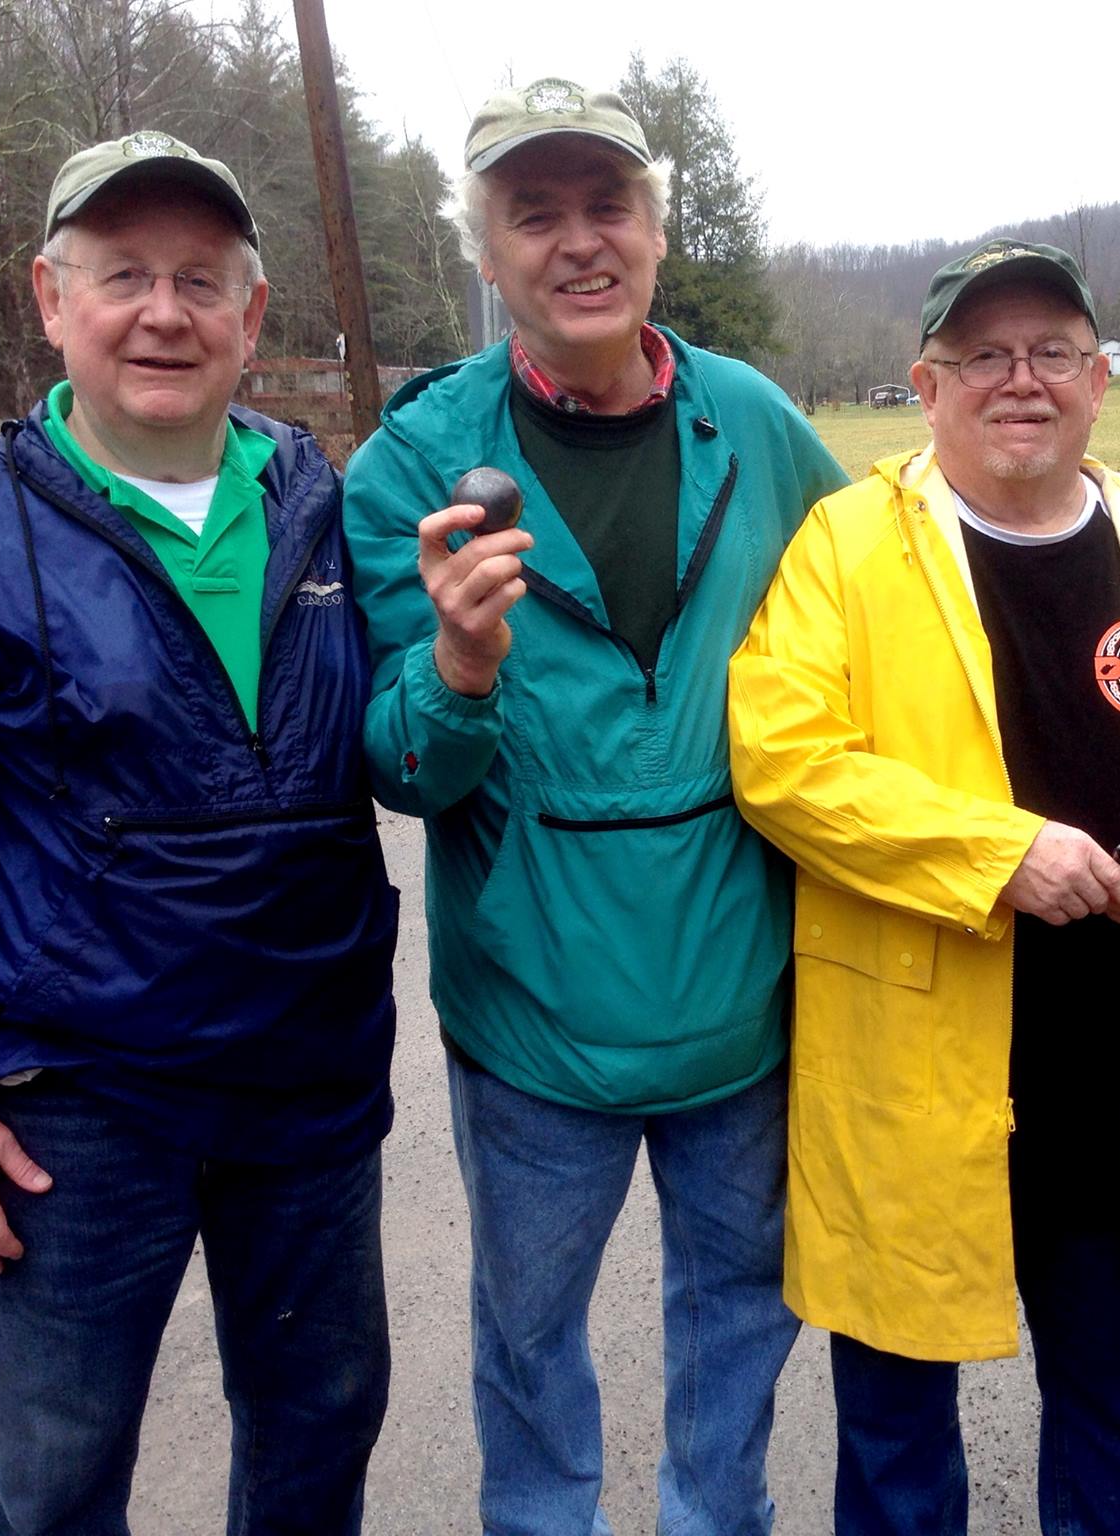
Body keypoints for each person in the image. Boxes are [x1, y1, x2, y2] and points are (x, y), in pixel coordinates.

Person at [0, 131, 398, 1534]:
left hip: (308, 1089)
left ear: (252, 316)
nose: (164, 312)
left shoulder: (324, 508)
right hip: (73, 1108)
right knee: (59, 1477)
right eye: (123, 274)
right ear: (50, 298)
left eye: (200, 279)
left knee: (318, 1440)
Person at [727, 239, 1120, 1534]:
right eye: (983, 355)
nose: (1019, 380)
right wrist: (998, 854)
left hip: (1116, 1091)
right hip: (916, 1097)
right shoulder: (848, 549)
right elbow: (782, 761)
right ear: (927, 388)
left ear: (1101, 380)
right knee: (894, 1445)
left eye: (1050, 352)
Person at [342, 78, 846, 1535]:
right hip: (532, 1032)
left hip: (743, 1009)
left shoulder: (752, 422)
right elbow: (398, 770)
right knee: (527, 1345)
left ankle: (714, 1519)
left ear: (657, 228)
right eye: (534, 212)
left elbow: (878, 622)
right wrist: (458, 665)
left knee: (740, 1326)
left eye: (607, 203)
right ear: (484, 252)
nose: (578, 242)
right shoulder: (416, 470)